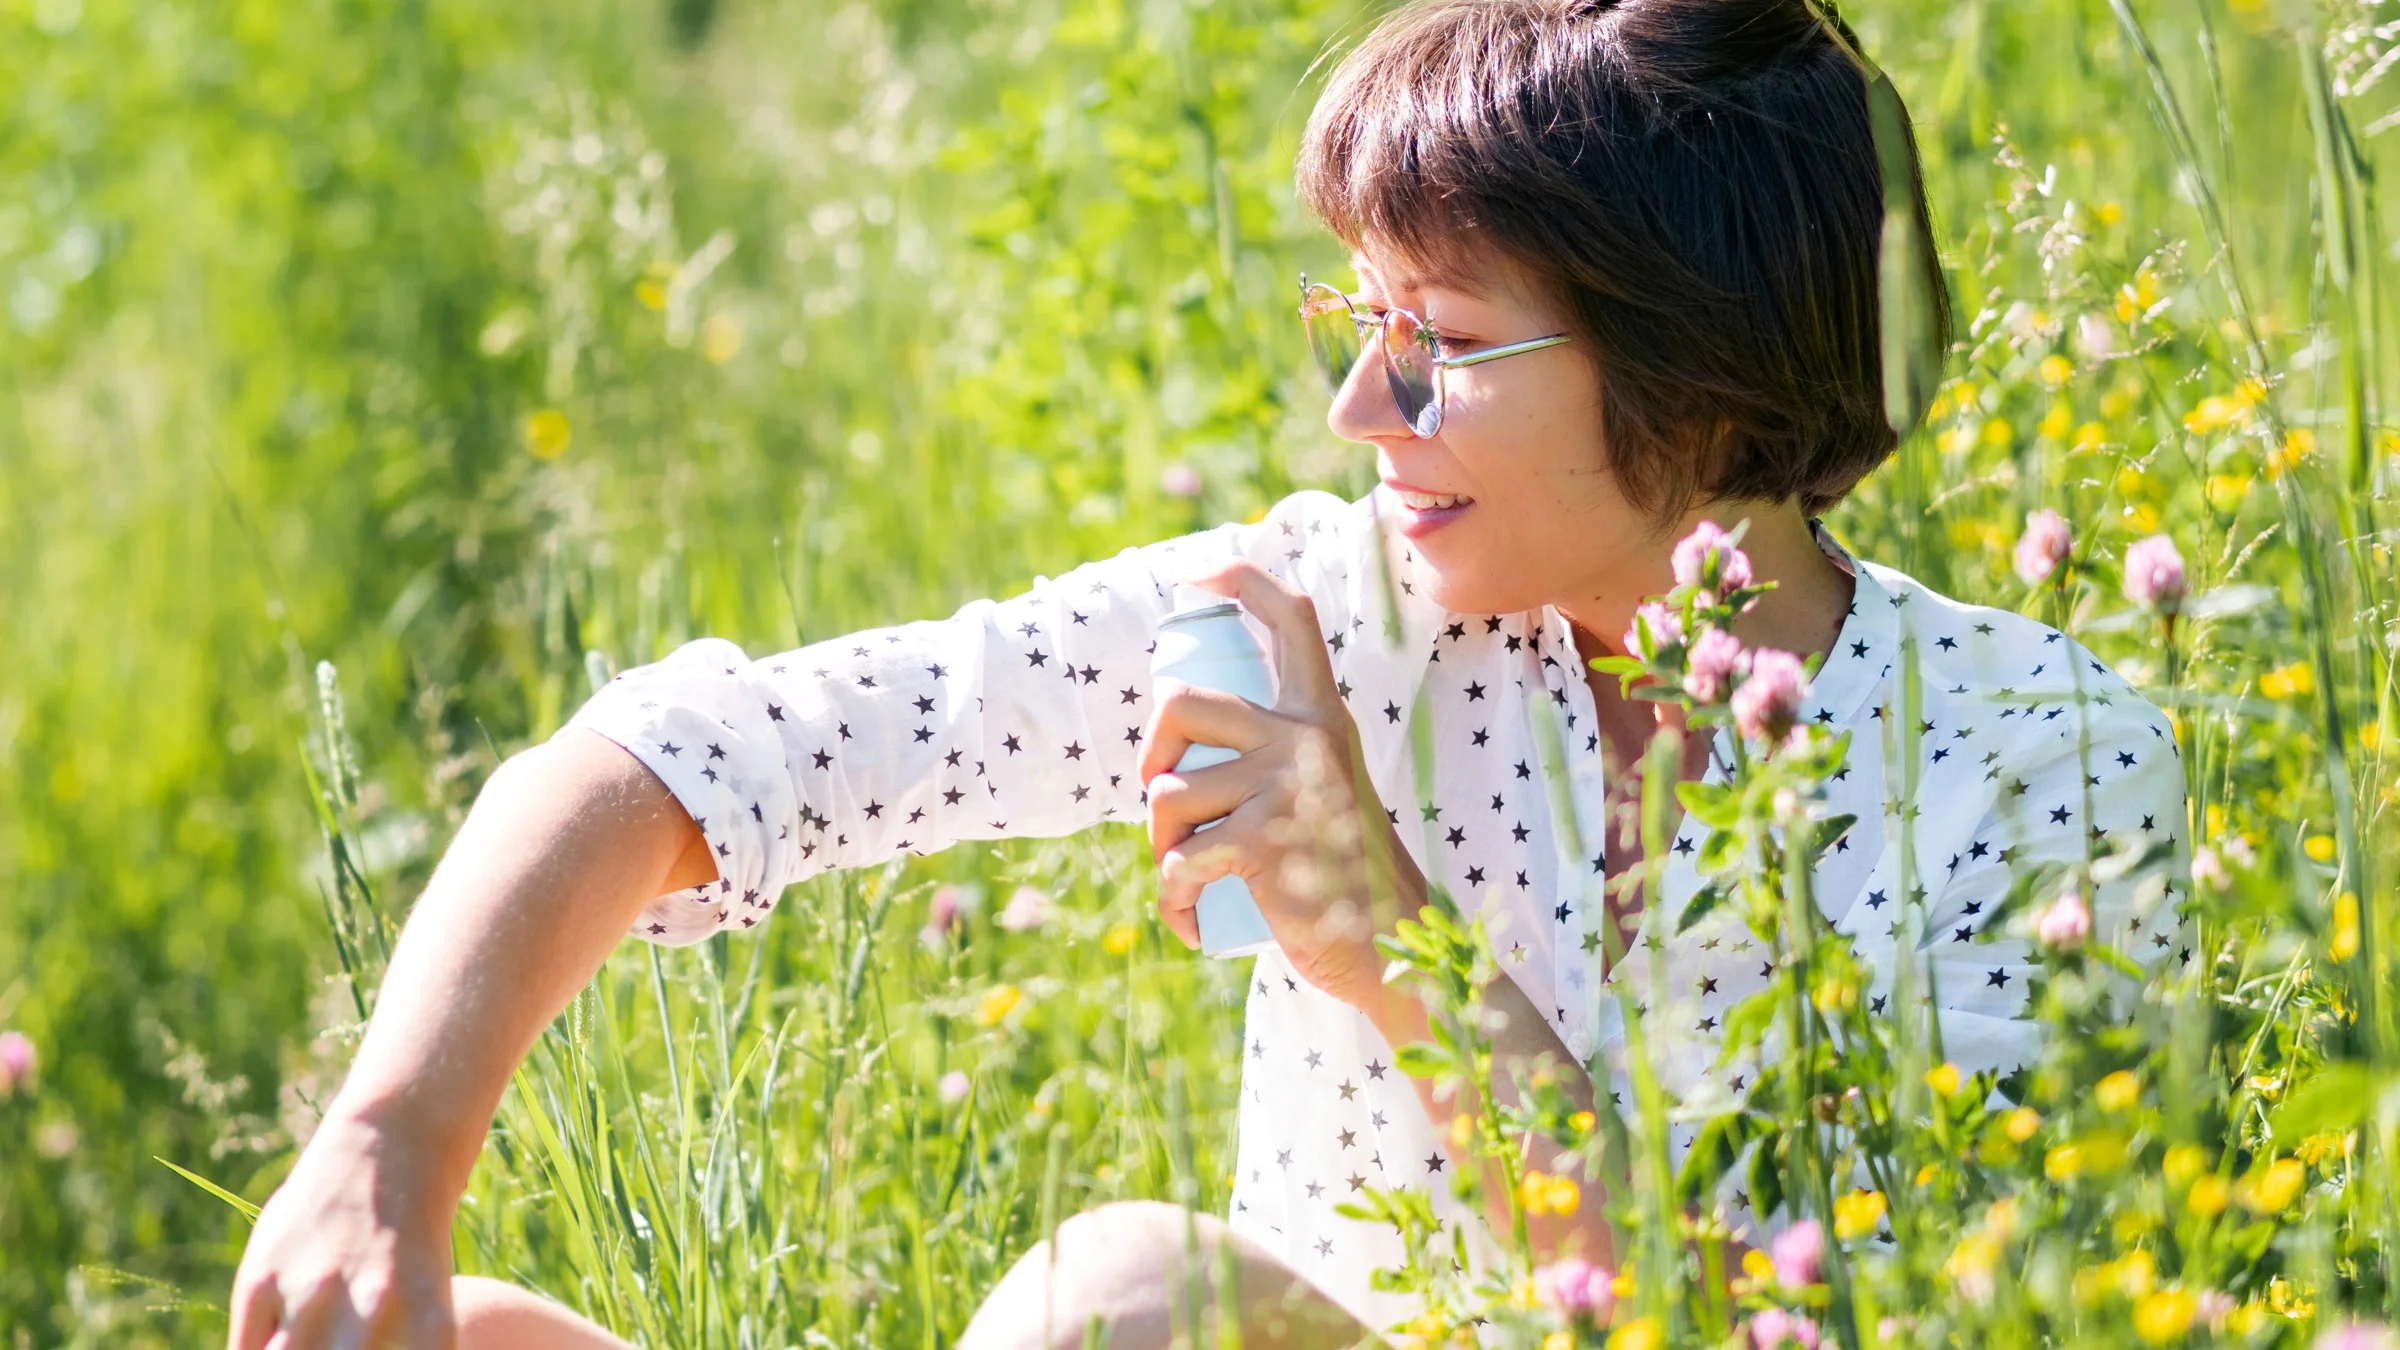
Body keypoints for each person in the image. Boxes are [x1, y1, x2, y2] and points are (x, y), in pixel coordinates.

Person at [227, 0, 2191, 1344]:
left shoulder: (2035, 767)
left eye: (1436, 343)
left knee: (1123, 1305)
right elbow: (692, 756)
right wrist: (382, 1141)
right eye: (1360, 318)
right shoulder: (1332, 612)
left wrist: (1386, 936)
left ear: (1696, 374)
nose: (1357, 403)